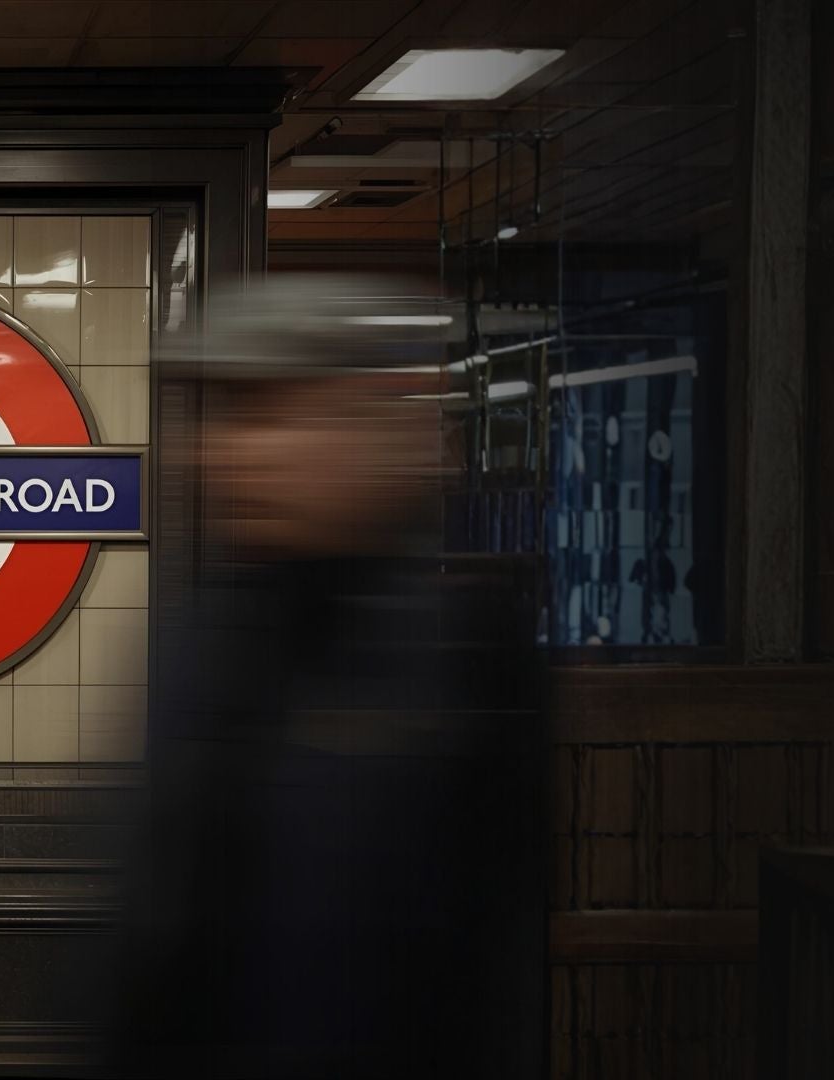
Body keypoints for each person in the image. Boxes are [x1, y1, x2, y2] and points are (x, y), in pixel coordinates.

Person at [111, 276, 546, 1079]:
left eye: (273, 413)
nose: (232, 452)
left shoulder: (469, 651)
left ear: (366, 420)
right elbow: (145, 937)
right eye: (224, 417)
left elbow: (493, 962)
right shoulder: (197, 644)